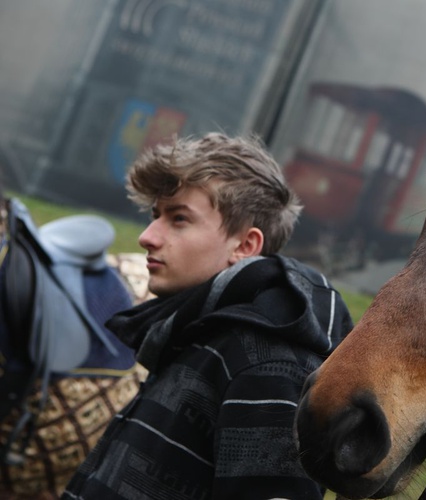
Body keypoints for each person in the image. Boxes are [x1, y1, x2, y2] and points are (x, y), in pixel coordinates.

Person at [62, 132, 353, 499]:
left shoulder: (267, 365)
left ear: (245, 246)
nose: (148, 236)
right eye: (155, 216)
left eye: (179, 218)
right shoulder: (201, 329)